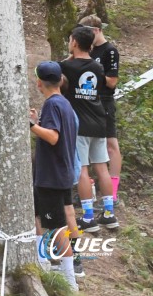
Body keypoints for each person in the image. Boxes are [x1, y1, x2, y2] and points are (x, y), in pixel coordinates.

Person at [59, 26, 118, 232]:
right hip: (99, 123)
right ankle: (109, 214)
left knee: (83, 169)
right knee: (102, 168)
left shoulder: (66, 67)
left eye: (70, 39)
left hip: (79, 125)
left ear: (74, 42)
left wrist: (68, 59)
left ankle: (88, 217)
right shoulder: (98, 67)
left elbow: (50, 72)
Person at [29, 61, 79, 290]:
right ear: (60, 80)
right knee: (38, 216)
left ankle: (70, 280)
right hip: (55, 173)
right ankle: (41, 264)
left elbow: (53, 137)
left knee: (58, 228)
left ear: (39, 83)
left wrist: (32, 125)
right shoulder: (64, 104)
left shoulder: (53, 104)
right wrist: (38, 122)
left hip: (52, 176)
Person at [79, 15, 122, 202]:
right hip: (86, 101)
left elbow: (112, 82)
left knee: (110, 144)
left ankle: (113, 190)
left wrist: (94, 71)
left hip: (104, 101)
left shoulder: (110, 51)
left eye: (86, 33)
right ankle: (90, 188)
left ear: (96, 31)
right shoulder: (86, 49)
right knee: (86, 146)